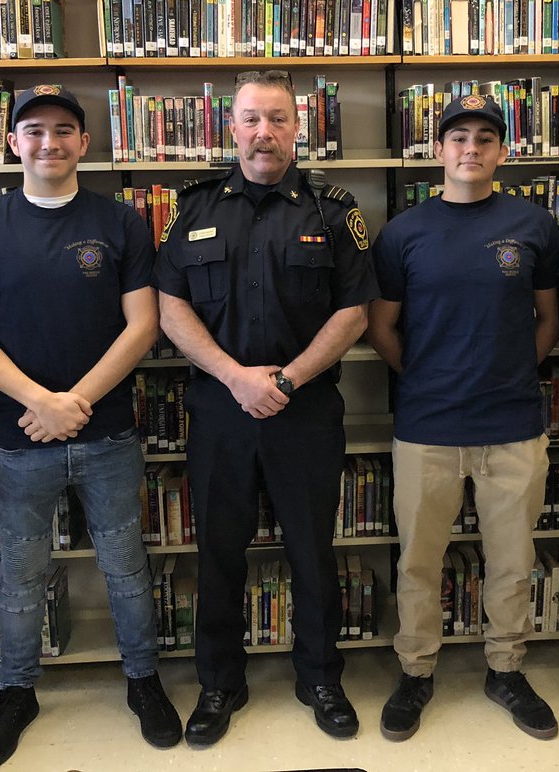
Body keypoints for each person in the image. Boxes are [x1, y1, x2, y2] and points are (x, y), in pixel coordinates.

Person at [0, 86, 180, 769]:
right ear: (13, 142)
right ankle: (16, 692)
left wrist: (74, 401)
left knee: (126, 563)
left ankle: (142, 679)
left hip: (108, 434)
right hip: (19, 438)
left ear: (84, 142)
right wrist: (40, 402)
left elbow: (143, 325)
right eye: (35, 130)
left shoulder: (121, 222)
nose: (50, 142)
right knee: (20, 573)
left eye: (64, 129)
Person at [153, 69, 378, 746]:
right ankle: (220, 683)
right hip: (220, 412)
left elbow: (354, 312)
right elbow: (171, 308)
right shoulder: (193, 208)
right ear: (231, 127)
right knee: (218, 552)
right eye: (251, 118)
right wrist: (235, 378)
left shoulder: (334, 211)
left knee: (312, 550)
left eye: (278, 119)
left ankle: (321, 678)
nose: (264, 132)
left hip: (304, 410)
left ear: (298, 127)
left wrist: (285, 380)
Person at [367, 94, 559, 741]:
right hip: (427, 428)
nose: (471, 148)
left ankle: (505, 668)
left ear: (503, 151)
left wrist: (512, 372)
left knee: (512, 561)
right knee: (419, 562)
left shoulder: (534, 225)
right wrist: (423, 377)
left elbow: (550, 317)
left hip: (513, 426)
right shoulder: (403, 233)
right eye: (458, 137)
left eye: (484, 137)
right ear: (438, 150)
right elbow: (381, 327)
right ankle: (416, 670)